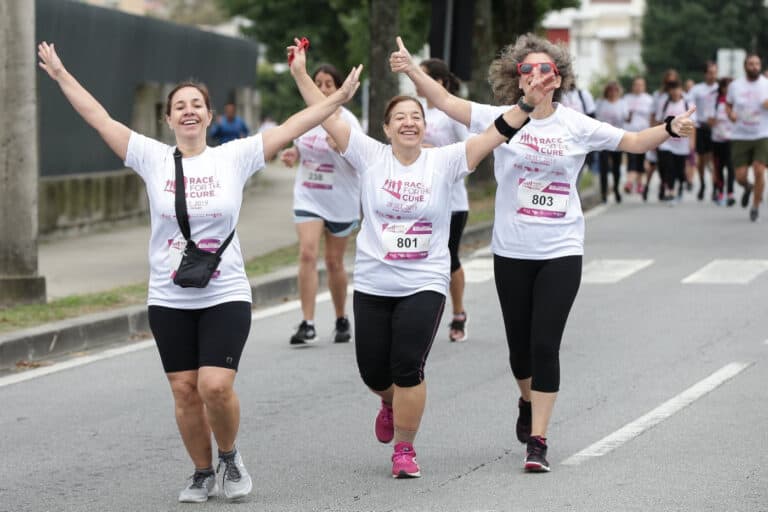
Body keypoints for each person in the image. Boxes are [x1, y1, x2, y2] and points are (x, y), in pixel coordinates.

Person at [37, 41, 361, 503]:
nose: (188, 112)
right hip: (169, 296)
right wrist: (61, 74)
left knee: (214, 385)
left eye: (197, 106)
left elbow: (293, 125)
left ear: (210, 116)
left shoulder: (235, 156)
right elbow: (100, 118)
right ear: (168, 120)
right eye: (179, 107)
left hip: (225, 289)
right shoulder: (151, 157)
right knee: (185, 390)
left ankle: (229, 456)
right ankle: (202, 471)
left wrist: (336, 99)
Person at [391, 33, 695, 473]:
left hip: (561, 248)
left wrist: (670, 128)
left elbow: (630, 141)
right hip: (512, 249)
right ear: (517, 78)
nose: (536, 76)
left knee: (545, 342)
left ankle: (539, 439)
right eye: (527, 69)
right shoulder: (499, 118)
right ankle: (526, 398)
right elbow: (443, 100)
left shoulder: (576, 125)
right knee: (520, 351)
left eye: (544, 69)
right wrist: (411, 69)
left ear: (558, 78)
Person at [290, 37, 548, 479]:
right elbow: (326, 115)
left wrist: (525, 104)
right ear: (386, 129)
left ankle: (405, 449)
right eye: (399, 118)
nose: (409, 123)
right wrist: (299, 72)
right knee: (375, 373)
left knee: (408, 365)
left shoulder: (445, 161)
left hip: (424, 281)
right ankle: (389, 401)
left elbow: (494, 133)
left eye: (416, 117)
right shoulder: (369, 156)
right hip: (373, 282)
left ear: (424, 127)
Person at [279, 63, 362, 345]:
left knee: (334, 261)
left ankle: (341, 317)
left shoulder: (348, 120)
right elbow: (302, 148)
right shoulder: (306, 118)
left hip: (340, 200)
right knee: (307, 254)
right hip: (309, 196)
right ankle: (308, 322)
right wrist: (293, 153)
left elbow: (361, 160)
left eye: (329, 84)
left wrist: (339, 145)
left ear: (339, 88)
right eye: (319, 83)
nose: (324, 88)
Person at [416, 58, 471, 342]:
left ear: (439, 82)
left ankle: (458, 313)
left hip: (453, 201)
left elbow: (469, 150)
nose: (416, 82)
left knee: (448, 258)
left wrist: (436, 154)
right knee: (425, 259)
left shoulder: (452, 112)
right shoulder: (417, 112)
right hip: (423, 199)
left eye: (422, 76)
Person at [726, 53, 768, 222]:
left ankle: (755, 206)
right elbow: (728, 105)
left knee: (759, 170)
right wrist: (730, 115)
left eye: (757, 64)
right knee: (740, 177)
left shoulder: (766, 84)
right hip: (740, 135)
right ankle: (748, 187)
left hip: (762, 134)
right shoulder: (735, 86)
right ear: (745, 66)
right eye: (751, 64)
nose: (754, 67)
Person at [656, 80, 695, 202]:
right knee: (668, 166)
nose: (674, 92)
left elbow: (693, 126)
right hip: (666, 142)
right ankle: (671, 190)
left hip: (682, 143)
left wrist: (692, 142)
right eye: (671, 89)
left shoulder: (687, 104)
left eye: (676, 89)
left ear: (681, 90)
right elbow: (658, 122)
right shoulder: (664, 103)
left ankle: (681, 185)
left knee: (680, 169)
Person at [689, 62, 719, 200]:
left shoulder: (720, 88)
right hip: (700, 127)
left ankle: (715, 187)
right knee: (701, 160)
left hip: (715, 128)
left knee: (713, 160)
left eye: (715, 72)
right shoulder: (697, 89)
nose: (712, 75)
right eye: (710, 72)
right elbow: (690, 106)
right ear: (705, 74)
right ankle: (702, 184)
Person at [594, 81, 626, 203]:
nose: (612, 93)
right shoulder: (601, 103)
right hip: (603, 139)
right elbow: (595, 119)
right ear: (607, 92)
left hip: (618, 138)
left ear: (618, 92)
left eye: (615, 91)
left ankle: (617, 189)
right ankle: (603, 193)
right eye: (610, 91)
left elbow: (627, 117)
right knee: (604, 167)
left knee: (616, 167)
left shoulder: (622, 103)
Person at [623, 76, 654, 194]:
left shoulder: (649, 100)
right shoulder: (626, 98)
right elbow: (623, 116)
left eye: (641, 85)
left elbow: (652, 118)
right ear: (633, 86)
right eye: (636, 84)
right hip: (630, 133)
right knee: (632, 158)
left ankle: (639, 183)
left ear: (644, 86)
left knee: (641, 159)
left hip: (644, 133)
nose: (638, 87)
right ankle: (629, 182)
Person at [709, 77, 736, 206]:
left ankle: (730, 193)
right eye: (727, 87)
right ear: (722, 88)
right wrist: (715, 120)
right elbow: (709, 121)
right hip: (717, 140)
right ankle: (720, 192)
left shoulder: (736, 101)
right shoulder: (715, 101)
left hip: (732, 139)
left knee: (731, 167)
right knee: (718, 168)